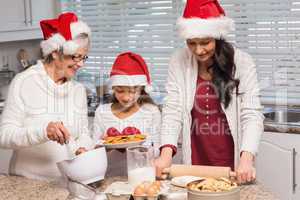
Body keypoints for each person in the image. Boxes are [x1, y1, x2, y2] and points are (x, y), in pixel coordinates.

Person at [154, 0, 264, 184]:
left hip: (233, 161)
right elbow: (172, 109)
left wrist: (246, 159)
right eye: (191, 43)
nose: (198, 50)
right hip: (195, 160)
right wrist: (166, 153)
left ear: (218, 37)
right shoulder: (178, 61)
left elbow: (252, 114)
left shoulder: (242, 62)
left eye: (205, 42)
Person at [0, 12, 94, 181]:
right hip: (27, 184)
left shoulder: (78, 90)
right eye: (75, 56)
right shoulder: (24, 82)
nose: (81, 64)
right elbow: (4, 136)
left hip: (66, 182)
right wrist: (43, 132)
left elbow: (83, 134)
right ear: (55, 52)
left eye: (83, 57)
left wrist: (82, 148)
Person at [93, 52, 161, 176]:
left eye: (133, 91)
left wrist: (140, 146)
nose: (126, 97)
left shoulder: (151, 111)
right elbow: (94, 151)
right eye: (120, 91)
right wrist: (103, 147)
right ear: (113, 88)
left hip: (141, 175)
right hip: (109, 176)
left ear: (142, 89)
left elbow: (157, 151)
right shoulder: (102, 111)